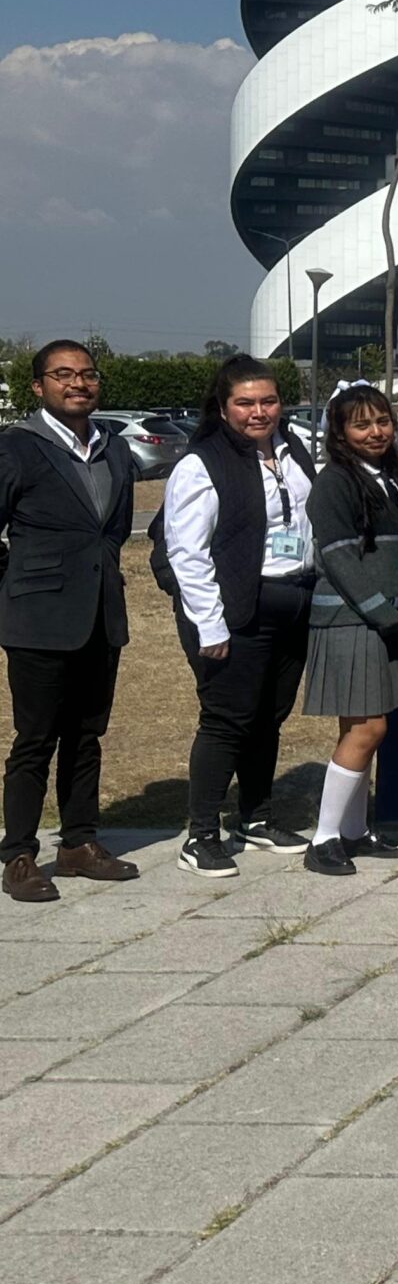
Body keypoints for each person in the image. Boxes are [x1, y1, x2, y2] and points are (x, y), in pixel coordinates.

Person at [157, 356, 318, 876]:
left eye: (267, 401)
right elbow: (187, 552)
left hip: (291, 604)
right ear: (223, 408)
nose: (258, 411)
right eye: (245, 402)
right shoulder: (201, 464)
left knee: (268, 716)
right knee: (227, 720)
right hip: (234, 611)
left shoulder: (293, 451)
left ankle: (255, 816)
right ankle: (200, 833)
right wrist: (210, 623)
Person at [0, 341, 140, 902]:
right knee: (35, 739)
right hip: (38, 618)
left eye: (86, 374)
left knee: (86, 737)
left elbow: (112, 530)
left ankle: (79, 844)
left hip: (101, 615)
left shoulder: (115, 448)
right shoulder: (17, 448)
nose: (77, 383)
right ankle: (19, 854)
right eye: (63, 375)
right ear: (38, 387)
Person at [300, 382, 398, 875]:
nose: (375, 432)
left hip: (388, 619)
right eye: (361, 423)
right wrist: (384, 614)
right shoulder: (335, 482)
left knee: (361, 730)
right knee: (369, 727)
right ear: (340, 431)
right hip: (352, 620)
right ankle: (325, 838)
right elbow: (338, 558)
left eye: (382, 421)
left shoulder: (396, 477)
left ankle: (353, 830)